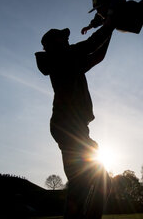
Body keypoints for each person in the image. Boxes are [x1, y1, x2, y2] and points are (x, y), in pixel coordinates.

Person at [35, 20, 114, 219]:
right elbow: (91, 44)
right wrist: (112, 23)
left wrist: (111, 29)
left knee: (97, 181)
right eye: (64, 38)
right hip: (67, 126)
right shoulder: (62, 57)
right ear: (55, 44)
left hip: (73, 127)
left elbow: (97, 56)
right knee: (86, 183)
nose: (68, 40)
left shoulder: (70, 60)